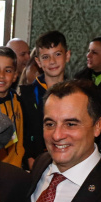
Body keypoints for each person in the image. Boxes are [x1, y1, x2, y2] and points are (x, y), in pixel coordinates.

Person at [20, 31, 71, 168]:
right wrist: (30, 159)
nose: (52, 61)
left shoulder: (77, 94)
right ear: (38, 62)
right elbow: (24, 132)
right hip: (35, 161)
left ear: (67, 55)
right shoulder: (27, 94)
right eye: (46, 57)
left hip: (69, 156)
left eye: (58, 54)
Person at [0, 46, 26, 167]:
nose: (1, 75)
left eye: (7, 71)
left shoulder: (18, 101)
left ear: (15, 76)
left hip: (17, 168)